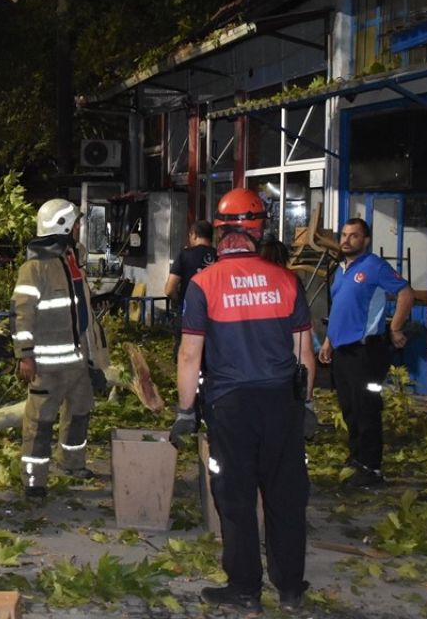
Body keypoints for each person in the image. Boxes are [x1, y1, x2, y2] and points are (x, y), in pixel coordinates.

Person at [172, 187, 316, 612]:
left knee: (235, 501)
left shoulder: (203, 284)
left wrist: (185, 412)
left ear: (220, 231)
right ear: (259, 229)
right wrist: (306, 404)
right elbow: (304, 352)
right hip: (281, 406)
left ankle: (244, 591)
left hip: (229, 408)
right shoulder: (287, 281)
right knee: (286, 497)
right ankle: (290, 589)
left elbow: (188, 355)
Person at [12, 198, 110, 499]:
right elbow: (22, 315)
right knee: (39, 424)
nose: (80, 227)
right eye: (76, 223)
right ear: (64, 227)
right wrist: (25, 356)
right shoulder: (34, 269)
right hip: (47, 366)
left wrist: (94, 357)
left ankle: (72, 464)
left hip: (78, 362)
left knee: (80, 414)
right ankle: (34, 481)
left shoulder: (71, 260)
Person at [317, 218, 413, 488]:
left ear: (366, 240)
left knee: (367, 409)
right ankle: (357, 458)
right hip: (343, 352)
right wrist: (328, 342)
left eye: (354, 236)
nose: (346, 240)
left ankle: (372, 467)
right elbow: (339, 309)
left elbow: (406, 293)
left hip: (366, 352)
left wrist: (395, 328)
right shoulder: (341, 269)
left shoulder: (375, 266)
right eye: (344, 235)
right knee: (349, 409)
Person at [164, 220, 217, 357]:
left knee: (186, 357)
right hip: (215, 319)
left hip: (188, 316)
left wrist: (179, 300)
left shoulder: (184, 255)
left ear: (194, 235)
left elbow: (169, 289)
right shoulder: (220, 257)